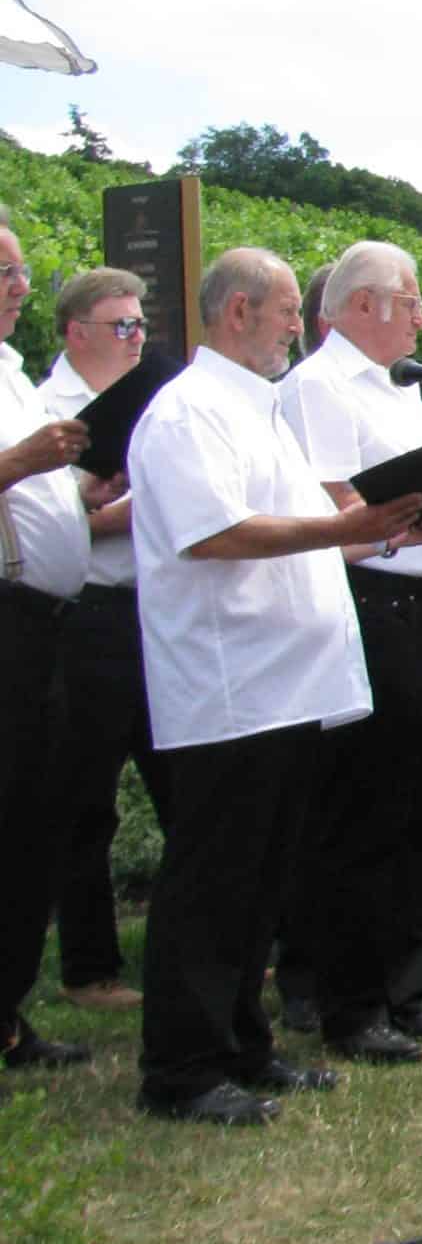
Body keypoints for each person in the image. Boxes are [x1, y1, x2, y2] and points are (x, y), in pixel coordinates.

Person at [128, 248, 422, 1125]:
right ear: (238, 313)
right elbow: (215, 533)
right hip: (232, 687)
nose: (302, 325)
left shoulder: (254, 410)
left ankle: (243, 1047)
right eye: (290, 309)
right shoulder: (187, 414)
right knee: (213, 885)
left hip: (286, 688)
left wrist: (387, 533)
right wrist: (345, 524)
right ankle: (180, 1070)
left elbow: (316, 536)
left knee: (260, 886)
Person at [278, 242, 422, 1065]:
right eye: (411, 300)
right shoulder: (320, 388)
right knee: (362, 810)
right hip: (375, 607)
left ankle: (407, 986)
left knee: (416, 811)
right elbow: (337, 507)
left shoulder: (400, 389)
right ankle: (348, 1000)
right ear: (362, 305)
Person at [37, 267, 165, 1014]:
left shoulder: (151, 407)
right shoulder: (46, 408)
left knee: (181, 780)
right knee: (86, 798)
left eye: (142, 325)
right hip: (86, 610)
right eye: (122, 326)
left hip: (148, 609)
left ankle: (192, 945)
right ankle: (88, 968)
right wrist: (108, 515)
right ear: (76, 331)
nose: (137, 336)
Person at [0, 220, 101, 1075]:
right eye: (1, 271)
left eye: (21, 270)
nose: (19, 286)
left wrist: (81, 486)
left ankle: (7, 1011)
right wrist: (22, 460)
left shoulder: (7, 371)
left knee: (34, 822)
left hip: (43, 620)